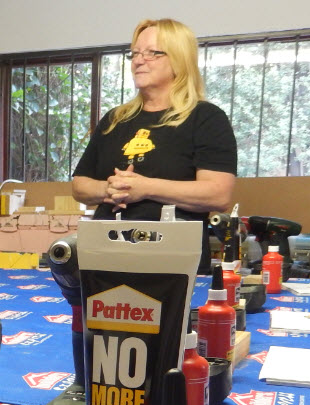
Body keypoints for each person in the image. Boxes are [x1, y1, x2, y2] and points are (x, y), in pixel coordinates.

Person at [72, 18, 237, 272]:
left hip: (173, 261)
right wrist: (109, 189)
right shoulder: (115, 119)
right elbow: (80, 185)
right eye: (135, 53)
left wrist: (145, 188)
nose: (139, 61)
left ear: (179, 59)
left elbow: (218, 194)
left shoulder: (205, 118)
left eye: (152, 53)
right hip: (106, 255)